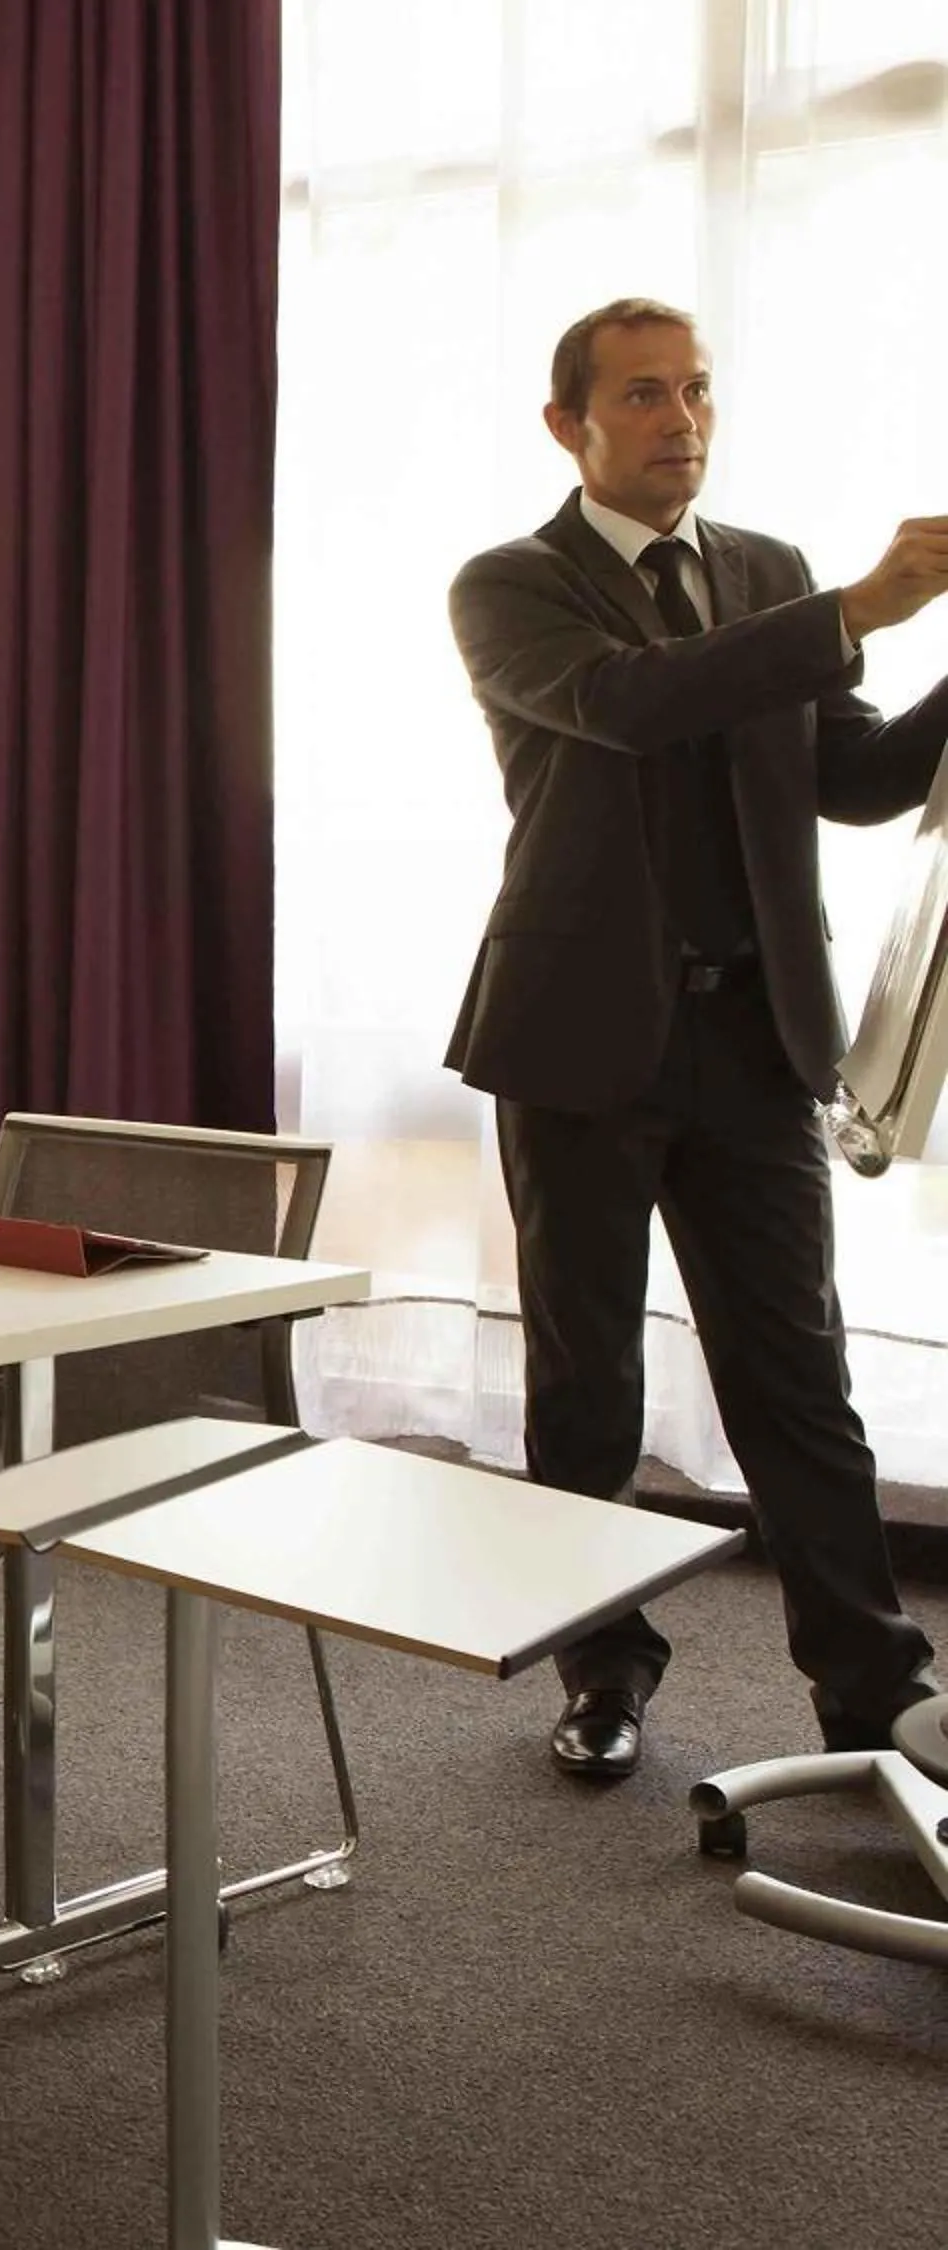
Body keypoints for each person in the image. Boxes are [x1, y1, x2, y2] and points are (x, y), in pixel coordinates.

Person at [446, 297, 948, 1778]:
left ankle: (877, 1688)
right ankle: (603, 1671)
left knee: (799, 1379)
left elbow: (853, 776)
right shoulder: (510, 584)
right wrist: (855, 611)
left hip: (757, 1042)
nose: (682, 420)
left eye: (699, 391)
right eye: (645, 395)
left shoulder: (769, 573)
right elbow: (634, 703)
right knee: (587, 1387)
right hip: (576, 1043)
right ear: (569, 425)